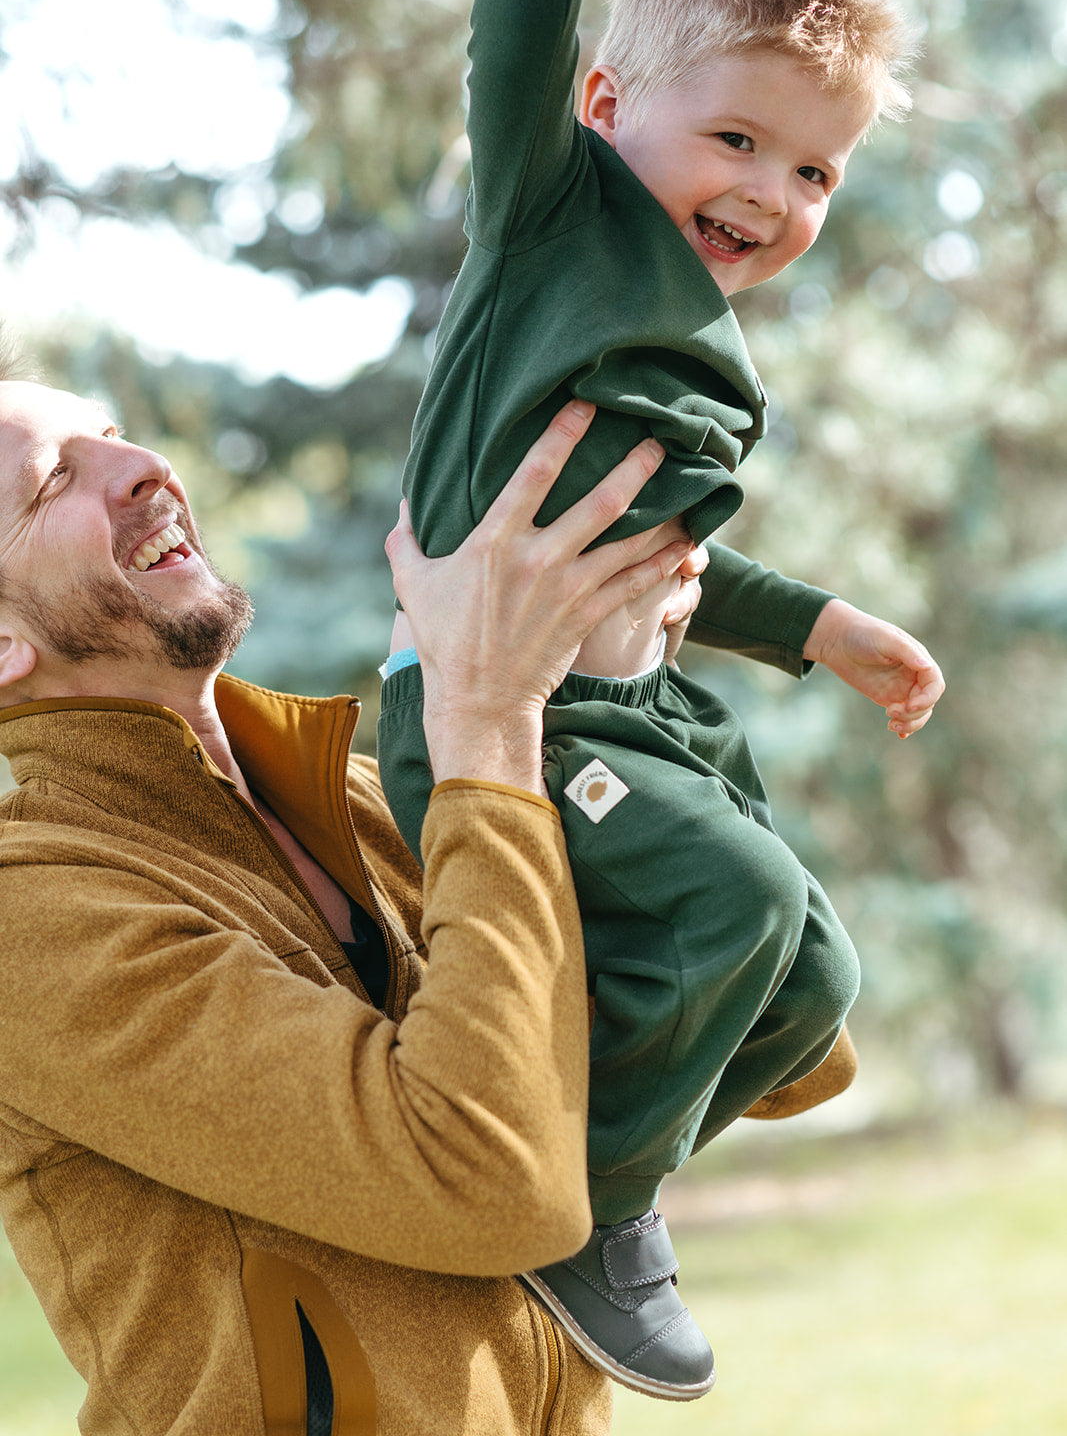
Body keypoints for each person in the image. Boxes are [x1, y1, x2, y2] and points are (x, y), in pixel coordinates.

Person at [0, 369, 848, 1434]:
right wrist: (486, 716)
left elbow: (785, 1037)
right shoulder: (29, 919)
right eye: (52, 481)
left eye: (115, 434)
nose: (144, 469)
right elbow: (491, 1183)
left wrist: (619, 689)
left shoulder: (368, 800)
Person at [376, 0, 945, 1400]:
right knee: (735, 899)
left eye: (813, 169)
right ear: (607, 107)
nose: (772, 191)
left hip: (633, 711)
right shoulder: (545, 224)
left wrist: (816, 627)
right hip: (503, 719)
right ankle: (574, 1212)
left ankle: (571, 1152)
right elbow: (516, 36)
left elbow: (662, 544)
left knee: (809, 973)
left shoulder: (691, 326)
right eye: (740, 139)